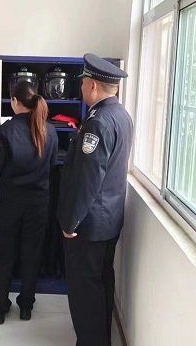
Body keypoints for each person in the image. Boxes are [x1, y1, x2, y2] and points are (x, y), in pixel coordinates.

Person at [57, 53, 133, 346]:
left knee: (84, 289)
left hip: (88, 225)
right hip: (109, 219)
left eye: (83, 83)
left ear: (92, 85)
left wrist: (71, 222)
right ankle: (100, 338)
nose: (81, 88)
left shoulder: (98, 123)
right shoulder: (121, 115)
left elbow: (88, 180)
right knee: (102, 281)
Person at [0, 81, 58, 324]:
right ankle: (26, 307)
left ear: (15, 102)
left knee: (6, 255)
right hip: (38, 203)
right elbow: (52, 166)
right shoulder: (50, 131)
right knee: (31, 255)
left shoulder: (5, 131)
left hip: (9, 203)